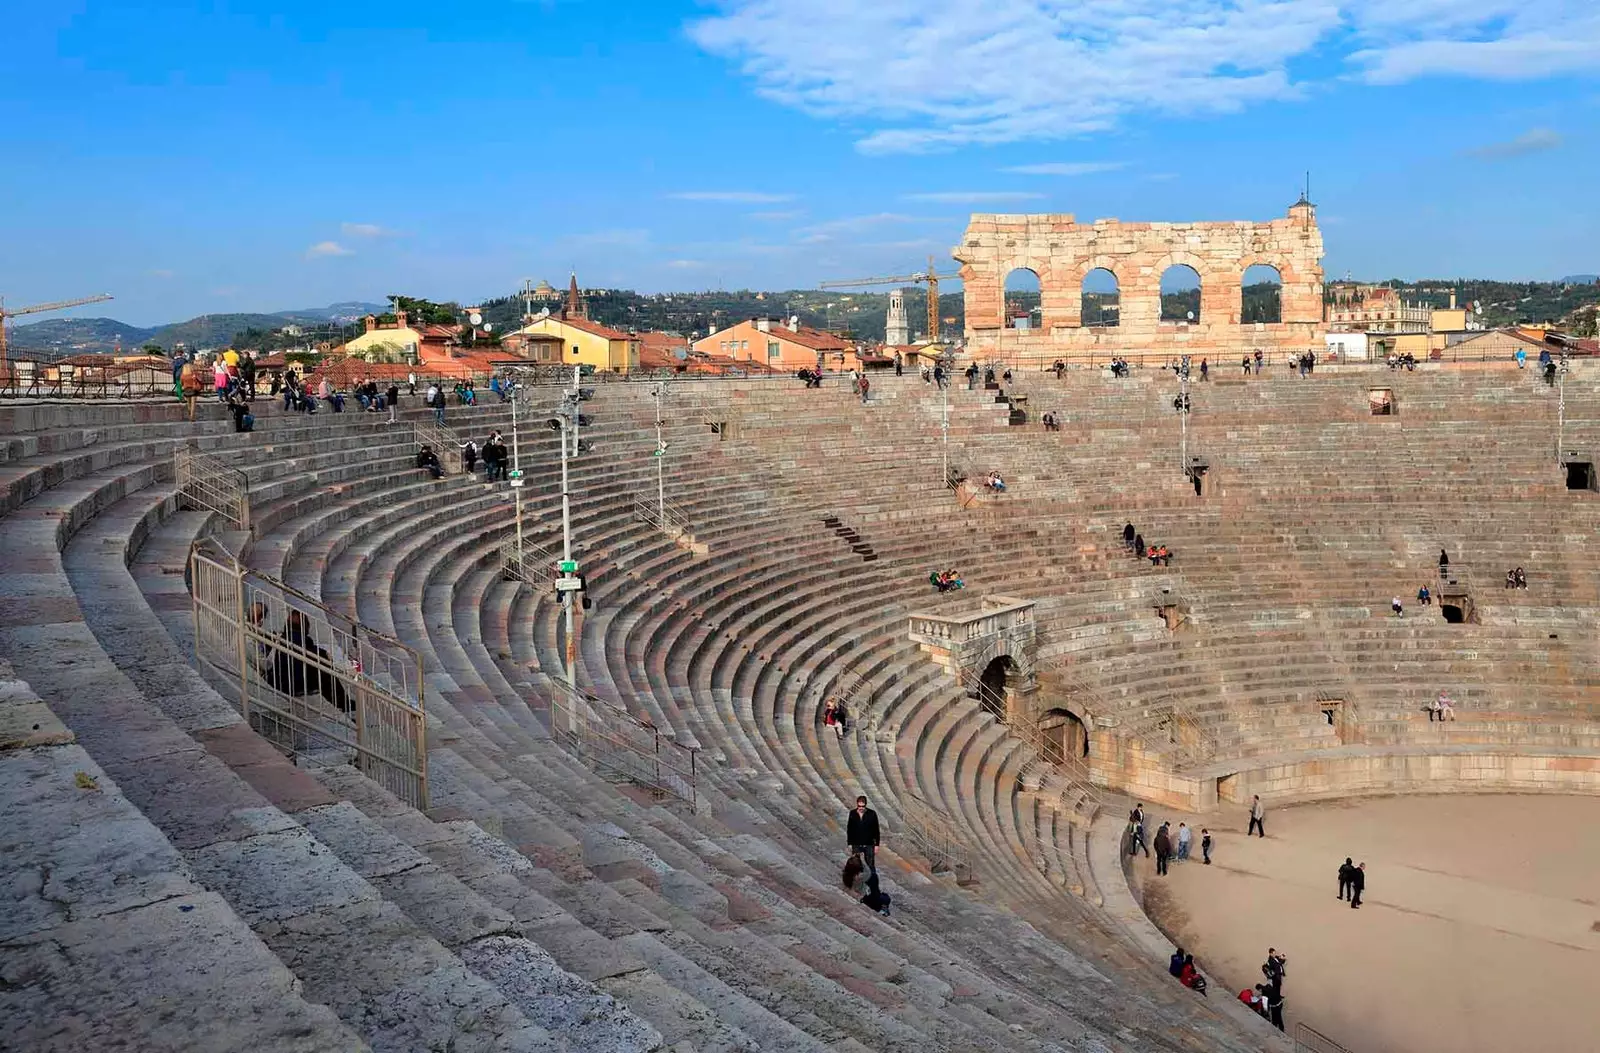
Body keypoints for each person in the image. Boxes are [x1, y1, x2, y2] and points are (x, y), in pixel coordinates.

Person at [847, 796, 880, 871]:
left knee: (870, 865)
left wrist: (877, 845)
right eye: (859, 806)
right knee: (855, 865)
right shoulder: (852, 813)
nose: (861, 808)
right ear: (857, 805)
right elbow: (850, 829)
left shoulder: (872, 814)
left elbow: (876, 830)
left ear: (865, 805)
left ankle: (871, 880)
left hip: (869, 843)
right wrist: (849, 843)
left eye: (863, 806)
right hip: (856, 843)